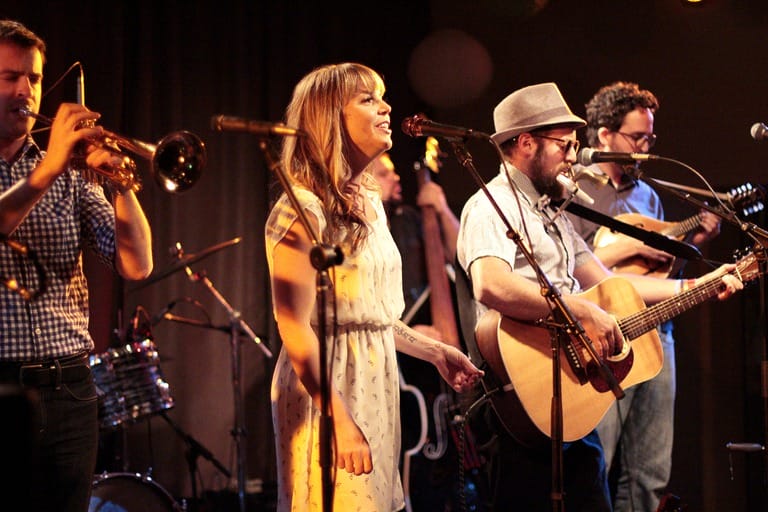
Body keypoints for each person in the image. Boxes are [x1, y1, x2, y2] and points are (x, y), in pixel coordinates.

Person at [455, 82, 741, 511]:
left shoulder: (553, 216)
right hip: (521, 399)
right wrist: (581, 308)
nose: (573, 155)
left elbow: (609, 282)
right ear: (526, 143)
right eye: (564, 145)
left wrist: (696, 286)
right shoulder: (491, 204)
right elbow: (492, 285)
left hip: (569, 393)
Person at [265, 62, 483, 512]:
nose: (386, 108)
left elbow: (374, 317)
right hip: (329, 390)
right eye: (368, 99)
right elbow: (295, 326)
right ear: (330, 117)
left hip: (375, 382)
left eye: (383, 96)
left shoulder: (370, 205)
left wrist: (434, 351)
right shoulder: (302, 207)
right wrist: (339, 420)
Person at [0, 19, 153, 512]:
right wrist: (50, 168)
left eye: (35, 78)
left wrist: (122, 182)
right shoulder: (54, 169)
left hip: (70, 391)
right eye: (9, 77)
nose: (26, 90)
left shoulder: (68, 175)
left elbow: (136, 265)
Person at [566, 81, 721, 512]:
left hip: (656, 329)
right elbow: (576, 266)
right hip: (604, 332)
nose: (645, 147)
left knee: (650, 466)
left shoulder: (647, 195)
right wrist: (634, 245)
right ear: (604, 136)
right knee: (602, 457)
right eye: (637, 137)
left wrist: (696, 243)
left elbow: (657, 274)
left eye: (650, 137)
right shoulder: (574, 189)